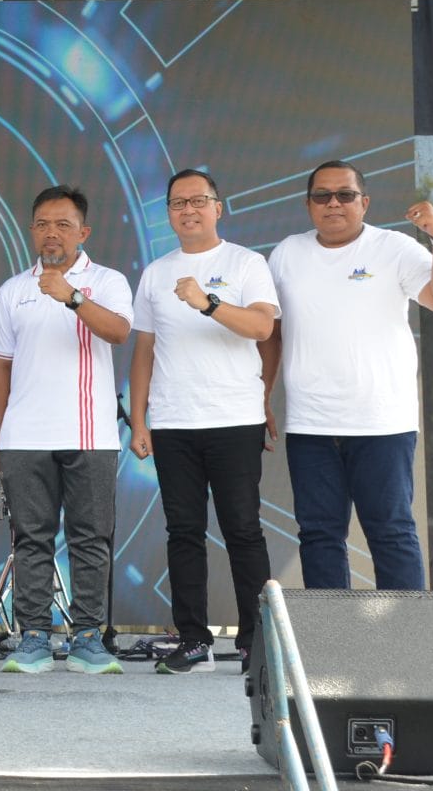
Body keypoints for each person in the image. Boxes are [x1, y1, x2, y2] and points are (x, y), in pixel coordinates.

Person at [262, 160, 433, 590]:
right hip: (311, 425)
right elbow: (272, 333)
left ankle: (405, 631)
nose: (333, 203)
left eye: (345, 194)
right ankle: (331, 633)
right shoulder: (286, 253)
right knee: (319, 536)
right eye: (322, 196)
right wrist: (261, 396)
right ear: (308, 204)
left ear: (365, 202)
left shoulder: (394, 248)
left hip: (382, 423)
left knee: (391, 533)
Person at [128, 169, 278, 675]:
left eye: (198, 200)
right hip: (173, 421)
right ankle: (194, 641)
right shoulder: (155, 273)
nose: (188, 210)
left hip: (234, 418)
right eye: (177, 203)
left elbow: (262, 326)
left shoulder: (246, 262)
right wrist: (139, 420)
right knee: (183, 532)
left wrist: (208, 302)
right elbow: (144, 350)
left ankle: (256, 642)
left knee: (243, 530)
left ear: (218, 207)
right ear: (168, 213)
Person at [0, 184, 132, 675]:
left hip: (89, 435)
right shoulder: (13, 290)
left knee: (91, 538)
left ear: (83, 232)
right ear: (32, 231)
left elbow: (118, 331)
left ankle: (88, 637)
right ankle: (33, 636)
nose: (53, 233)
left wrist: (70, 295)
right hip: (24, 437)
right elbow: (1, 369)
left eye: (64, 225)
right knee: (31, 538)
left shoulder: (107, 281)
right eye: (43, 224)